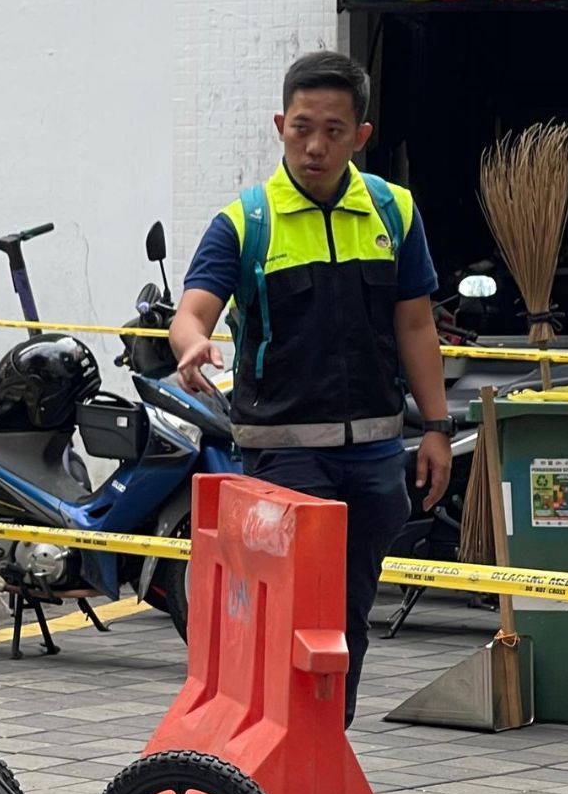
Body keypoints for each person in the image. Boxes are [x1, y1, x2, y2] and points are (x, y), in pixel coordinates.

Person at [171, 49, 451, 723]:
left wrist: (436, 429)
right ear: (279, 125)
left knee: (347, 621)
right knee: (287, 616)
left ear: (361, 135)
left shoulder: (394, 211)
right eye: (302, 128)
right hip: (285, 457)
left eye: (332, 130)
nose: (315, 145)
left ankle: (324, 748)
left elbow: (416, 327)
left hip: (376, 458)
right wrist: (192, 347)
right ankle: (274, 752)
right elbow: (192, 310)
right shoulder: (246, 221)